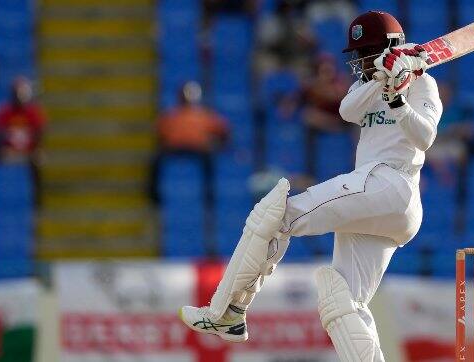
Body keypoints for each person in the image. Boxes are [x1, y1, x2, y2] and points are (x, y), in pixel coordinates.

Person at [180, 11, 442, 361]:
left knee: (275, 214)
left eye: (365, 54)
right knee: (343, 300)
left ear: (386, 47)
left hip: (391, 184)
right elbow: (348, 110)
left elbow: (424, 138)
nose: (360, 62)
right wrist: (384, 78)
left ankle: (226, 312)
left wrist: (400, 98)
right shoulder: (368, 82)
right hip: (376, 202)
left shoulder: (423, 83)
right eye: (359, 56)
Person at [150, 81, 229, 203]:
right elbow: (160, 132)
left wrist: (219, 144)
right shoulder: (173, 114)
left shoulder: (203, 114)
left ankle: (209, 193)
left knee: (209, 160)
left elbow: (223, 130)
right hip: (175, 148)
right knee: (156, 159)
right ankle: (154, 193)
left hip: (196, 149)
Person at [0, 77, 46, 162]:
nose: (18, 98)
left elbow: (40, 130)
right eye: (16, 94)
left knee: (39, 158)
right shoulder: (5, 112)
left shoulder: (33, 112)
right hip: (10, 151)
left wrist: (35, 148)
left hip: (29, 151)